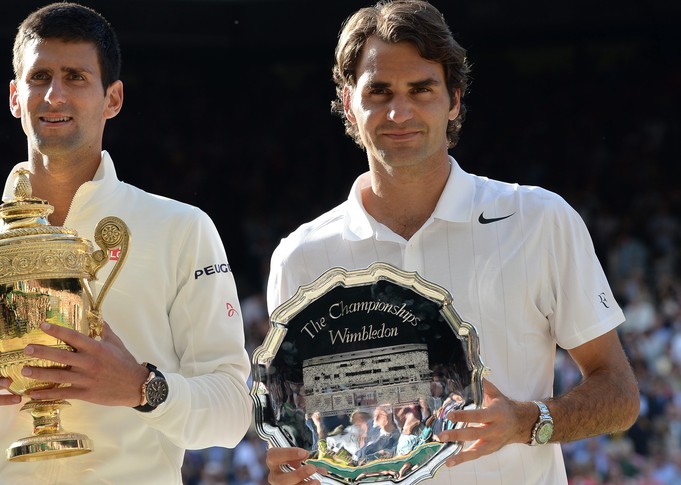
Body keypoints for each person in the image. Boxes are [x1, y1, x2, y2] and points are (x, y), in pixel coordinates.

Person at [263, 1, 639, 483]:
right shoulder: (299, 258)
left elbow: (620, 395)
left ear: (454, 99)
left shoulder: (540, 219)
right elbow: (309, 437)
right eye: (378, 91)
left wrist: (527, 423)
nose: (400, 111)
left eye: (422, 89)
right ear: (349, 103)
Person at [0, 3, 252, 484]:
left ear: (113, 98)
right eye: (39, 77)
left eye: (76, 77)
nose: (54, 95)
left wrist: (142, 388)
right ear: (15, 97)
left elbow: (232, 410)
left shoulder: (181, 230)